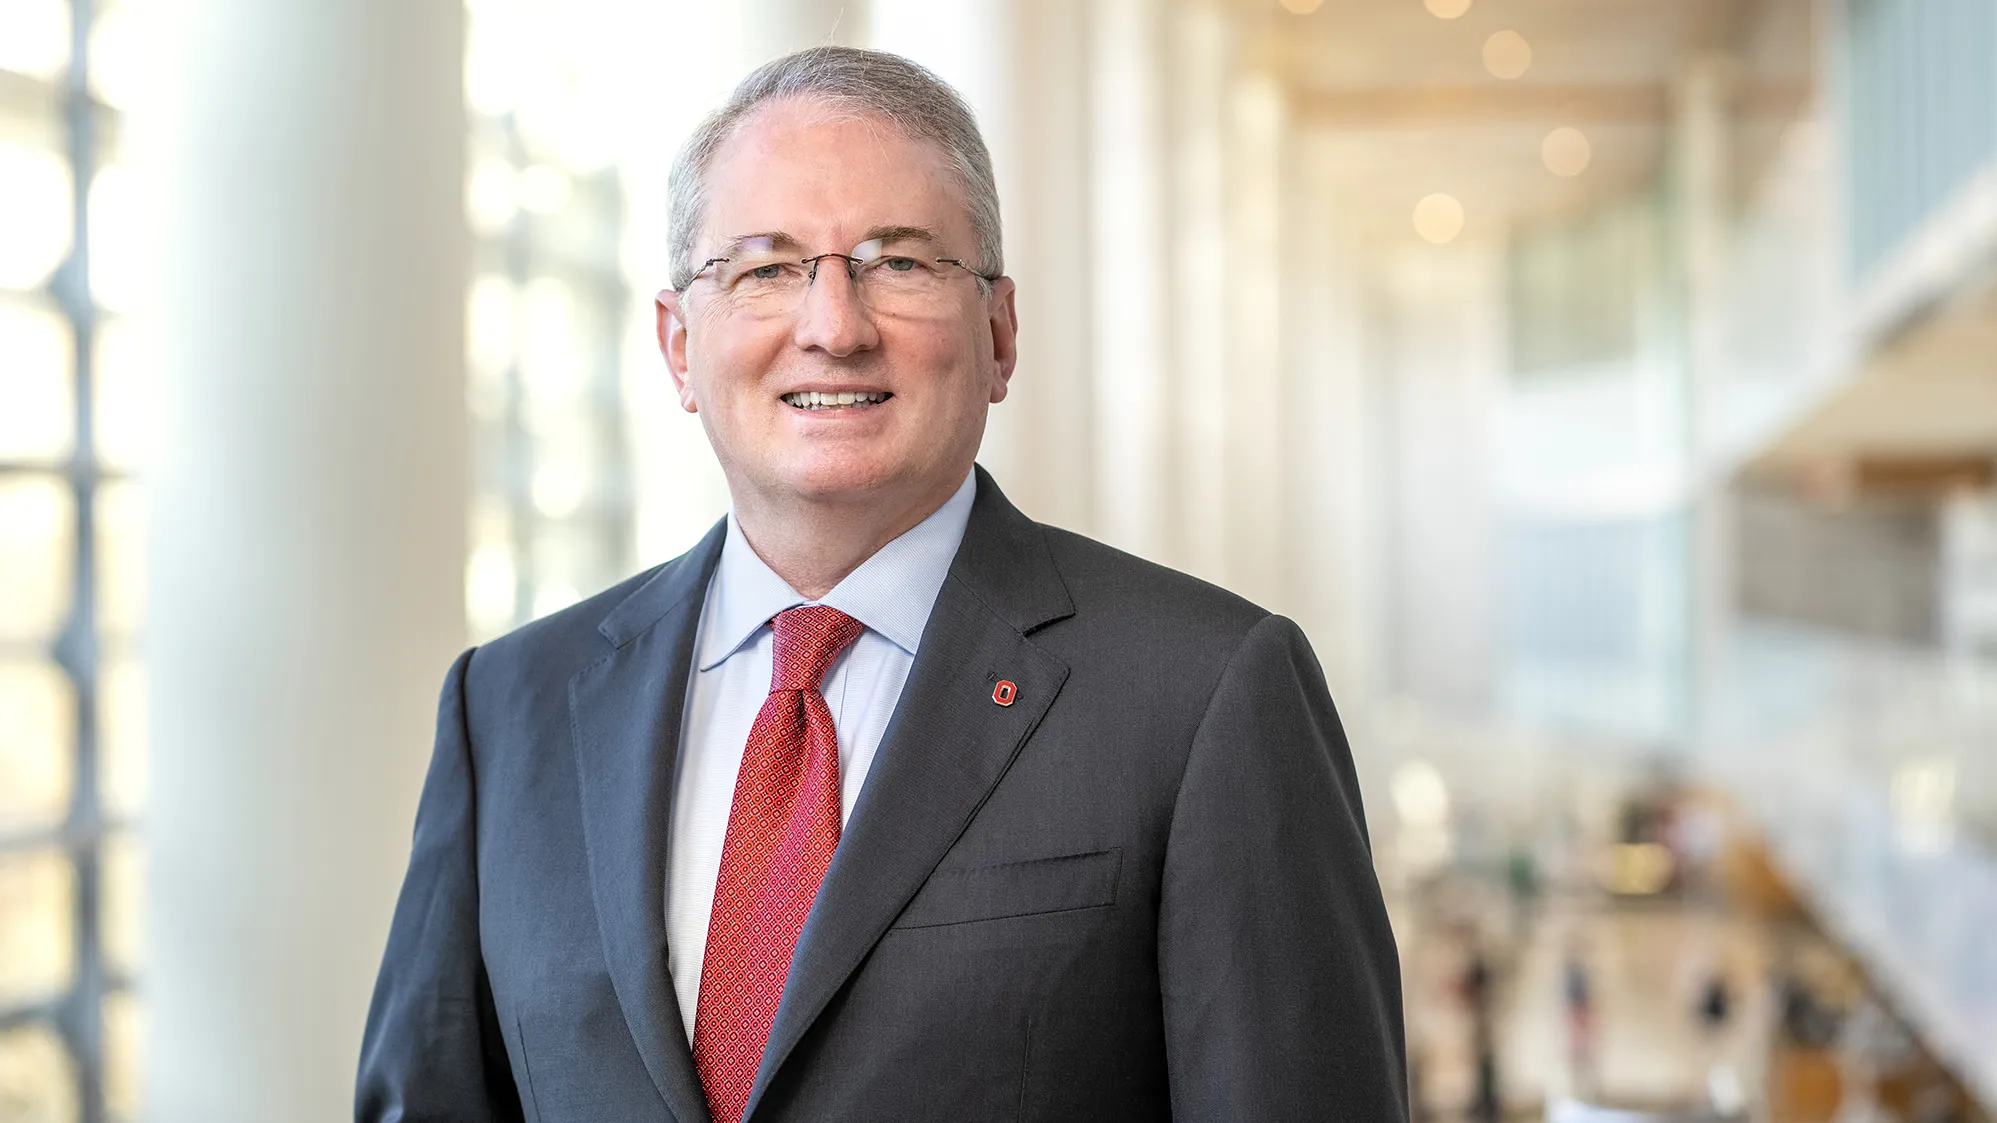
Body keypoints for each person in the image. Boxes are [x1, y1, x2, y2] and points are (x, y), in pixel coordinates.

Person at [356, 46, 1405, 1123]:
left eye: (897, 263)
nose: (833, 326)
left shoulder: (1202, 694)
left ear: (998, 334)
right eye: (765, 268)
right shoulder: (511, 706)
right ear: (678, 346)